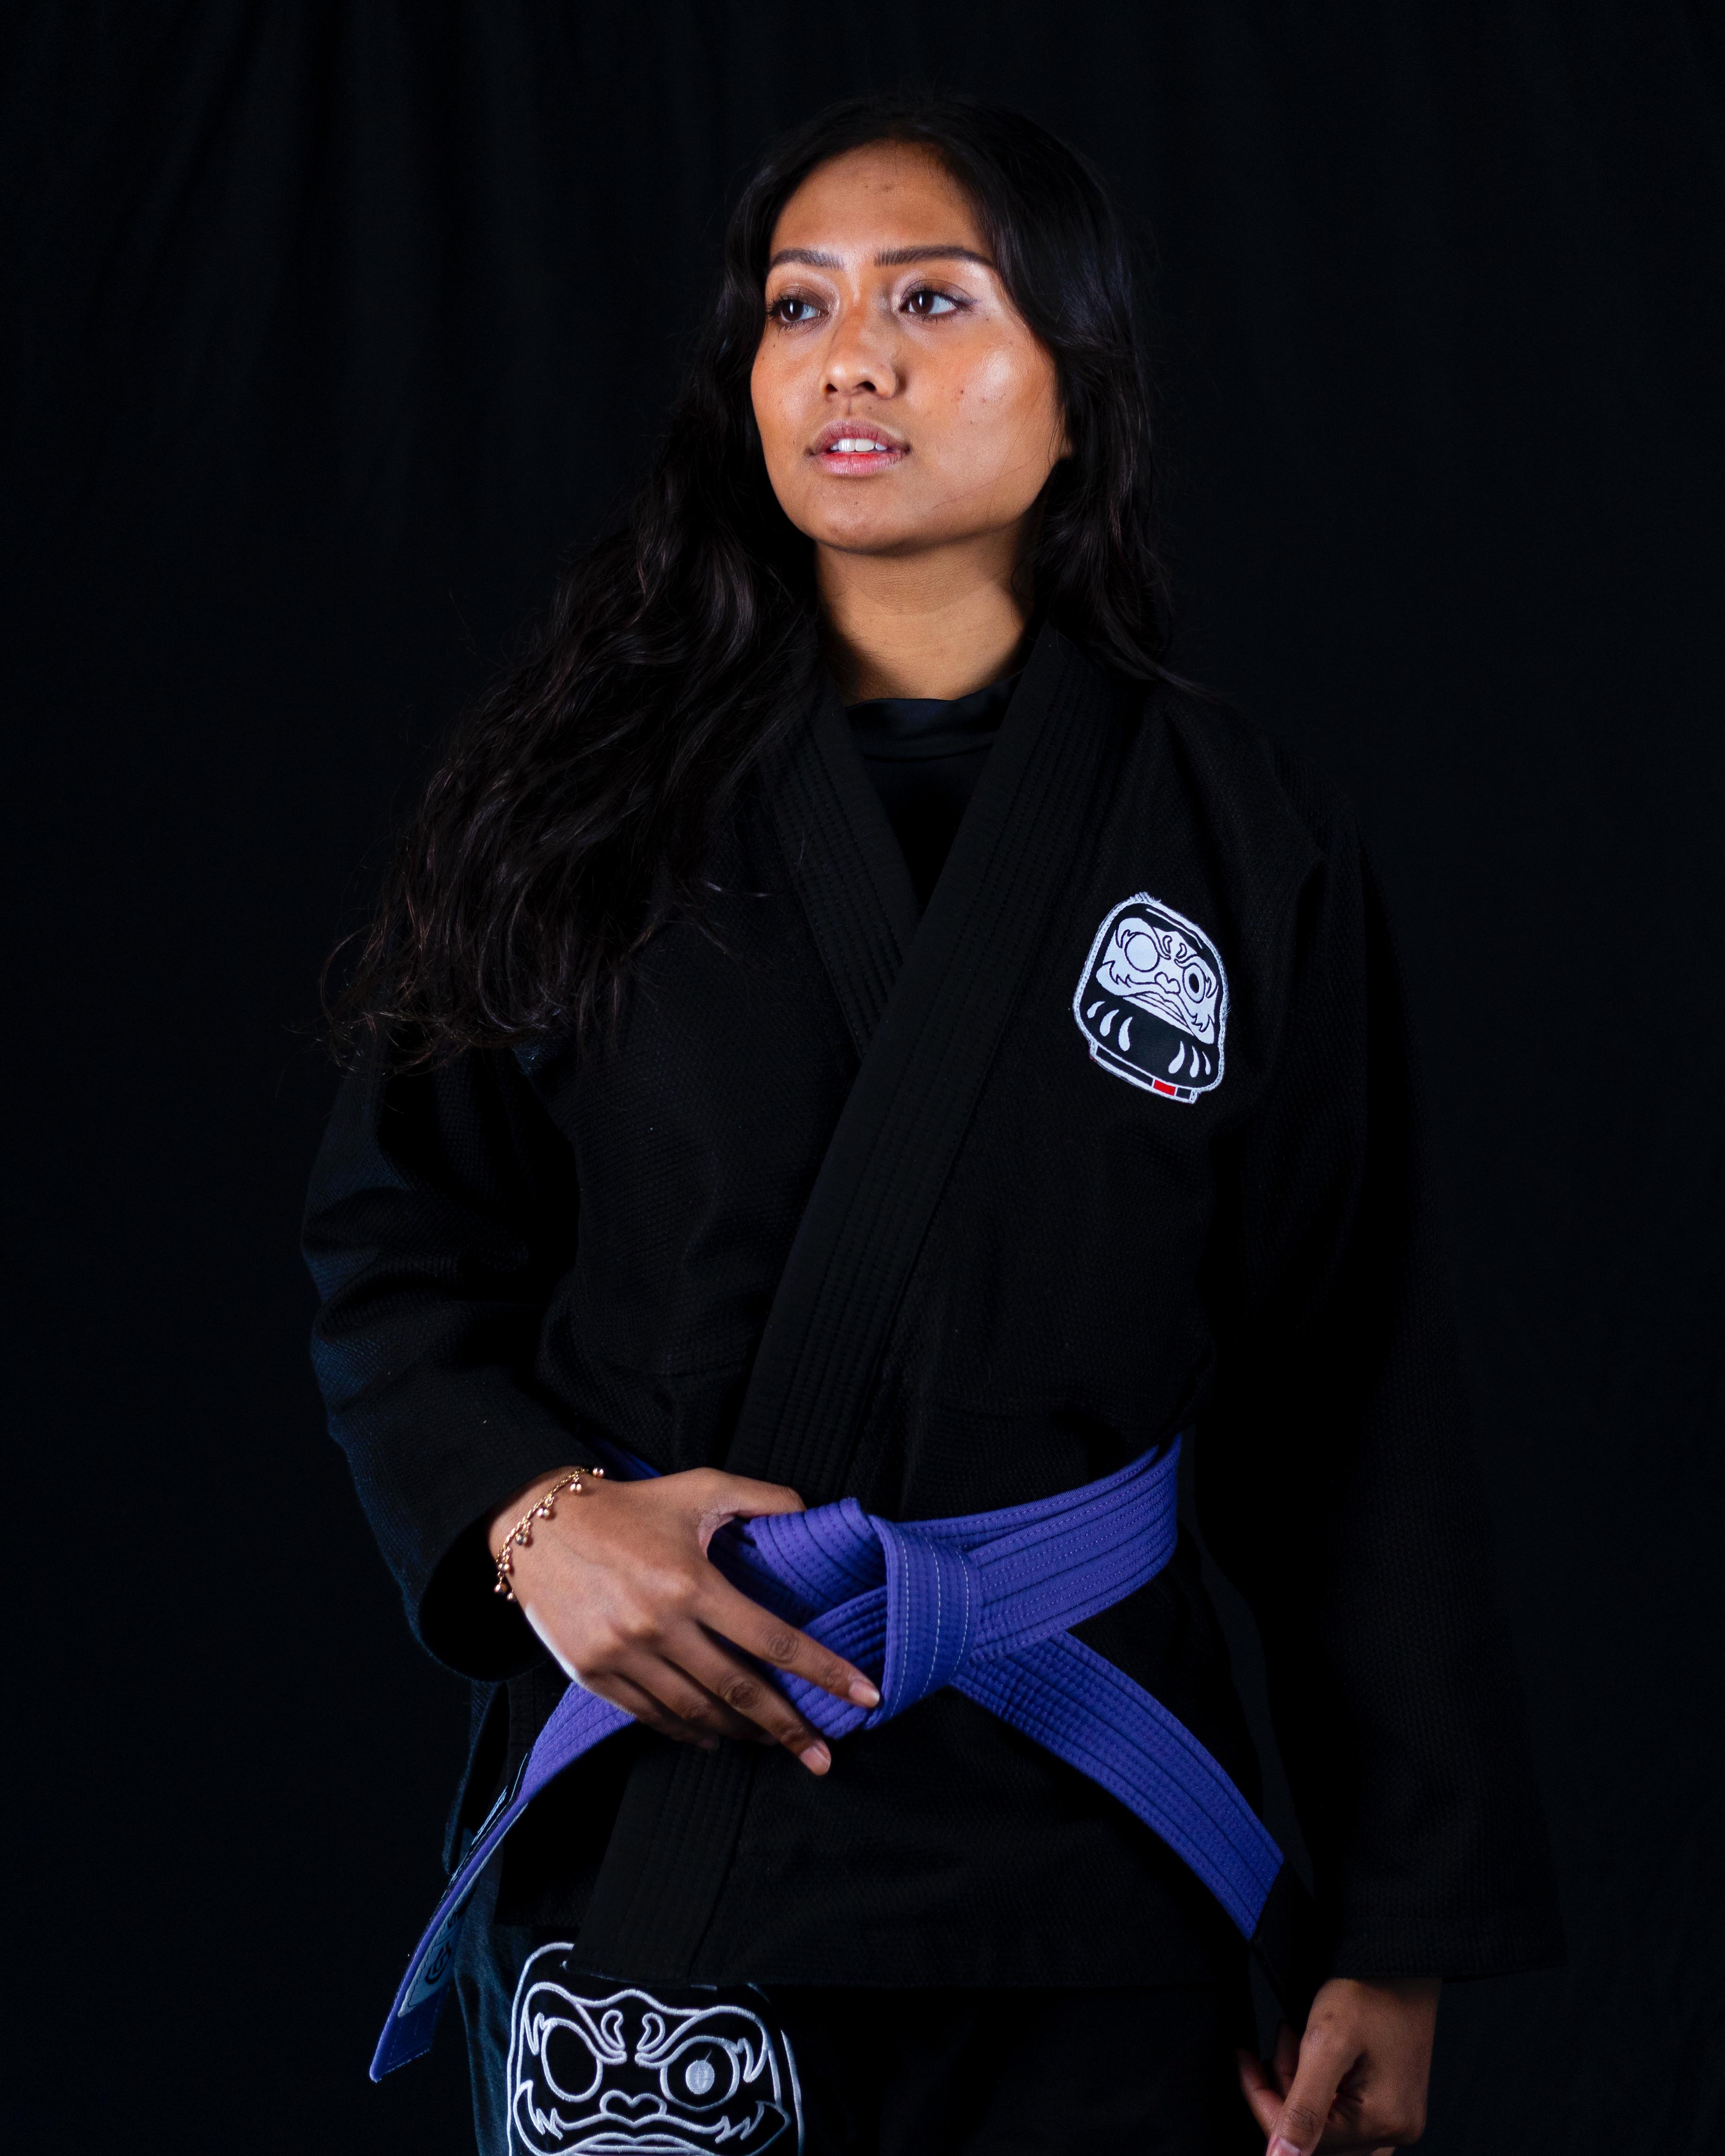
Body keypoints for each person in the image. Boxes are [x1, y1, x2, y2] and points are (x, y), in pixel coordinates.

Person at [304, 95, 1560, 2156]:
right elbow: (396, 1252)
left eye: (929, 298)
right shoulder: (574, 804)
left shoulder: (1242, 843)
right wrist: (543, 1528)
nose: (848, 356)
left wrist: (1391, 1933)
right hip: (675, 1837)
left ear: (1076, 391)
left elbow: (1347, 1404)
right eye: (797, 309)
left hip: (1089, 1839)